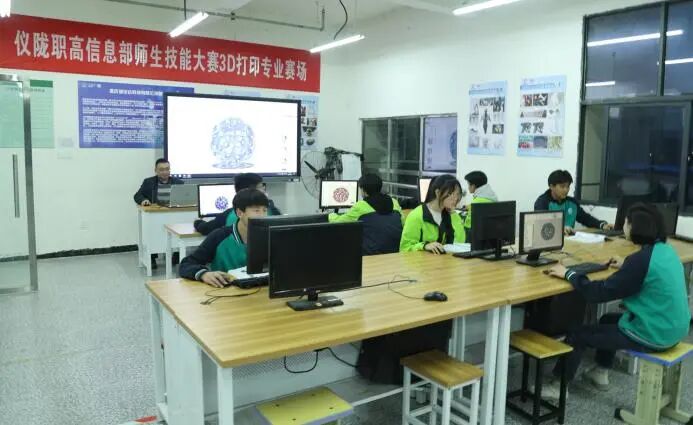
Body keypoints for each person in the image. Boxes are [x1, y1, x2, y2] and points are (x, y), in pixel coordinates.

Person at [541, 203, 690, 399]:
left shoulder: (639, 261)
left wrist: (568, 273)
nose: (624, 225)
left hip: (654, 334)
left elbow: (598, 293)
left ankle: (558, 387)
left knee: (577, 333)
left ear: (636, 227)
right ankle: (600, 371)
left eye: (627, 222)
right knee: (607, 320)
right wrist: (626, 265)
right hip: (675, 329)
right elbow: (643, 271)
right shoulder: (665, 251)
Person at [179, 189, 269, 288]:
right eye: (256, 211)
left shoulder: (270, 236)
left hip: (260, 290)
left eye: (264, 210)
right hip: (225, 289)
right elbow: (186, 264)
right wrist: (203, 274)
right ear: (240, 213)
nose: (262, 216)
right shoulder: (219, 236)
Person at [329, 173, 404, 255]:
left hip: (371, 255)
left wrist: (330, 215)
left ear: (364, 190)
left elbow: (338, 222)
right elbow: (403, 223)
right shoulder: (394, 202)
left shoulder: (360, 206)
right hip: (396, 252)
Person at [133, 158, 184, 269]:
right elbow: (137, 195)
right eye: (161, 169)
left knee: (180, 227)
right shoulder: (149, 182)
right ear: (155, 170)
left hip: (174, 216)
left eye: (167, 169)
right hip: (156, 216)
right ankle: (151, 257)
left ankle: (176, 255)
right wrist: (143, 200)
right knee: (153, 231)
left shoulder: (178, 182)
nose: (165, 172)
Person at [193, 173, 281, 235]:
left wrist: (197, 222)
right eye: (261, 187)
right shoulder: (272, 210)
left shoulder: (228, 214)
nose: (264, 190)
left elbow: (205, 228)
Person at [534, 170, 613, 235]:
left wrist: (602, 225)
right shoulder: (542, 202)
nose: (566, 190)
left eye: (568, 186)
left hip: (570, 240)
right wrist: (560, 229)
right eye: (562, 186)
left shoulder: (572, 202)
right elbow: (542, 225)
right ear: (551, 186)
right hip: (550, 242)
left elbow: (585, 218)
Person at [400, 174, 465, 254]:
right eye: (450, 194)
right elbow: (404, 249)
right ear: (437, 193)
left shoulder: (450, 214)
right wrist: (424, 246)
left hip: (444, 260)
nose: (455, 199)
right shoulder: (417, 216)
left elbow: (460, 243)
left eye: (457, 194)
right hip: (421, 261)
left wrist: (453, 214)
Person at [463, 170, 498, 236]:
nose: (468, 187)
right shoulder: (491, 196)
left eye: (468, 184)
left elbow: (468, 226)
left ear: (473, 186)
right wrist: (470, 206)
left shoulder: (476, 202)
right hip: (488, 232)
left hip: (474, 235)